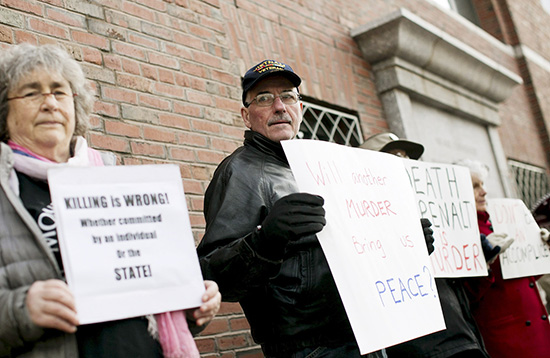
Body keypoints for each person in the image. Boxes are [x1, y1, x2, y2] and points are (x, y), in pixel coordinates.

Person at [0, 43, 221, 358]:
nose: (49, 103)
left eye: (59, 92)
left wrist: (191, 303)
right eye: (32, 93)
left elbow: (154, 291)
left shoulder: (114, 180)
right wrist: (21, 309)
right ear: (4, 111)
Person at [197, 60, 389, 358]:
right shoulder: (239, 172)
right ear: (246, 116)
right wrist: (265, 240)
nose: (278, 106)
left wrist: (407, 246)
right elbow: (211, 272)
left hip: (364, 334)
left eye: (287, 96)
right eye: (263, 98)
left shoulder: (323, 166)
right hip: (308, 348)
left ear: (301, 109)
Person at [361, 133, 490, 358]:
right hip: (425, 349)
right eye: (395, 156)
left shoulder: (431, 211)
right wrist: (404, 248)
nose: (406, 163)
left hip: (464, 340)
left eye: (408, 157)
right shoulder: (363, 220)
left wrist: (481, 259)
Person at [458, 159, 550, 357]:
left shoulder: (500, 220)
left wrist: (543, 250)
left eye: (482, 185)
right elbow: (467, 294)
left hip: (535, 325)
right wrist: (485, 260)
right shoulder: (461, 231)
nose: (483, 192)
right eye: (475, 186)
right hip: (509, 337)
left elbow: (525, 276)